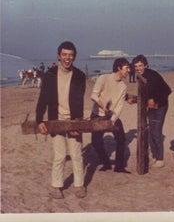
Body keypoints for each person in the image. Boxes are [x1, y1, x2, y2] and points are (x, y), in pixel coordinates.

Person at [36, 41, 86, 199]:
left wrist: (76, 123)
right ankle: (56, 186)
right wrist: (39, 121)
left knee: (77, 155)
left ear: (74, 57)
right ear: (59, 56)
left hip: (73, 120)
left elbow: (79, 101)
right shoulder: (49, 75)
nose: (67, 58)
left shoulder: (80, 76)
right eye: (64, 54)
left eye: (70, 55)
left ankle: (79, 185)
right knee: (60, 155)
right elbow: (42, 99)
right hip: (55, 120)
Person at [90, 57, 131, 173]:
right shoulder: (104, 78)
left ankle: (119, 167)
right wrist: (103, 105)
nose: (129, 70)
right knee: (96, 142)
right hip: (97, 114)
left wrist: (113, 119)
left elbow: (119, 106)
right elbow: (93, 95)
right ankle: (106, 163)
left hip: (111, 114)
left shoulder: (123, 86)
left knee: (121, 139)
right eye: (126, 68)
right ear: (119, 68)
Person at [133, 54, 171, 168]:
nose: (138, 68)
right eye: (136, 66)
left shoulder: (152, 75)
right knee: (151, 131)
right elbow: (144, 94)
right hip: (151, 107)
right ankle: (155, 156)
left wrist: (154, 100)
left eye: (140, 66)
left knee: (156, 131)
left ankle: (160, 159)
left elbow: (167, 90)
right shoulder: (140, 76)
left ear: (146, 65)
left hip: (161, 105)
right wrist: (135, 99)